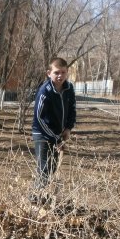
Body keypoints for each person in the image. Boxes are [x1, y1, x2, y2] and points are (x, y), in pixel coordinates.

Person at [31, 57, 76, 200]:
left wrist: (68, 128)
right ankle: (33, 198)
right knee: (44, 168)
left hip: (58, 134)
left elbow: (72, 110)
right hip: (42, 134)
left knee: (53, 166)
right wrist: (54, 137)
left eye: (63, 72)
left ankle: (42, 197)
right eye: (56, 72)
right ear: (49, 73)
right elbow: (39, 117)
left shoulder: (69, 89)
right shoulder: (45, 91)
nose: (60, 76)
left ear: (67, 72)